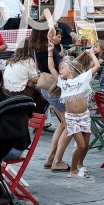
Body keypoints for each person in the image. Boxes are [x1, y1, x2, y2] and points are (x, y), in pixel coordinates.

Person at [49, 49, 100, 178]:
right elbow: (51, 68)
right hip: (71, 118)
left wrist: (90, 53)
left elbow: (97, 65)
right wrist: (50, 51)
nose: (60, 70)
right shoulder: (62, 82)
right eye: (60, 68)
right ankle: (73, 170)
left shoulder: (82, 78)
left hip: (84, 116)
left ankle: (80, 164)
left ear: (70, 69)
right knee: (81, 145)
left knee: (85, 145)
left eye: (63, 67)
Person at [32, 24, 71, 172]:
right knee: (69, 125)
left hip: (47, 88)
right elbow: (56, 67)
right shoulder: (46, 48)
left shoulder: (38, 46)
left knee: (63, 123)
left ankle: (50, 159)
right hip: (54, 88)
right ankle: (57, 161)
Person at [3, 41, 45, 114]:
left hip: (6, 92)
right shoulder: (29, 61)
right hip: (20, 92)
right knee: (38, 94)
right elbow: (35, 79)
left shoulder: (11, 61)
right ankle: (39, 119)